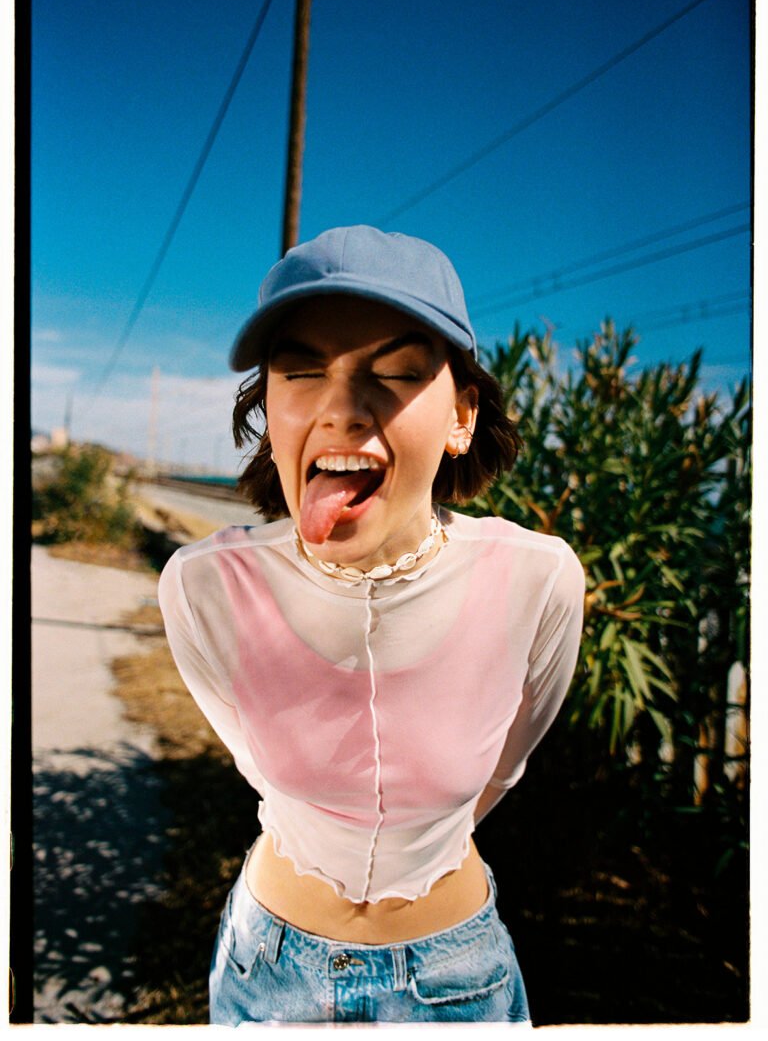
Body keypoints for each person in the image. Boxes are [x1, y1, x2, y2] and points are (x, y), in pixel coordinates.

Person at [158, 225, 584, 1025]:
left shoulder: (538, 581)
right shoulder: (203, 589)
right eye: (302, 370)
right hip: (265, 976)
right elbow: (263, 771)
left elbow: (501, 770)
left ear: (462, 415)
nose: (342, 409)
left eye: (395, 372)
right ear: (269, 411)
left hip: (458, 981)